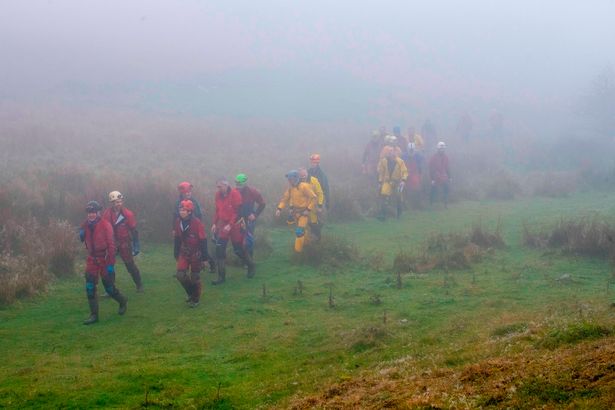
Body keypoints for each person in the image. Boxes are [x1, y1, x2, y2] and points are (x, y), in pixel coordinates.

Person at [80, 200, 127, 325]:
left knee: (109, 288)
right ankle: (94, 315)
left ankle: (122, 301)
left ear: (98, 212)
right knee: (90, 287)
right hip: (92, 259)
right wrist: (81, 234)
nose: (91, 215)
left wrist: (111, 264)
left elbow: (112, 246)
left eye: (93, 212)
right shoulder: (85, 225)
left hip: (105, 259)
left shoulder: (105, 224)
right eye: (89, 212)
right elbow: (82, 237)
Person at [212, 178, 255, 285]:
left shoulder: (235, 194)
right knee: (219, 250)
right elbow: (218, 210)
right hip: (223, 225)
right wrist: (214, 223)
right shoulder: (218, 195)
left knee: (238, 250)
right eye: (217, 187)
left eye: (220, 186)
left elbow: (238, 212)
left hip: (235, 225)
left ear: (226, 185)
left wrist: (230, 225)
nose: (218, 189)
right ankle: (221, 277)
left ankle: (251, 265)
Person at [102, 191, 143, 292]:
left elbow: (134, 230)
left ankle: (139, 285)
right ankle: (111, 289)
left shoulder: (128, 214)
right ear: (112, 203)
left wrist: (136, 245)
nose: (119, 204)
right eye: (116, 202)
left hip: (125, 243)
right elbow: (104, 229)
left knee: (130, 265)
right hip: (111, 243)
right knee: (109, 266)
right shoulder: (107, 214)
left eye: (120, 201)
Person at [173, 200, 208, 307]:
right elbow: (178, 238)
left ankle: (195, 299)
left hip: (195, 253)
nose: (181, 212)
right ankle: (191, 293)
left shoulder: (197, 223)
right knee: (180, 275)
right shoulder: (178, 221)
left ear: (189, 211)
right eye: (180, 210)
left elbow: (203, 240)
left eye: (184, 210)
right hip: (184, 252)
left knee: (195, 277)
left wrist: (205, 258)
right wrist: (176, 252)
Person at [275, 170, 317, 252]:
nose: (289, 181)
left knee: (299, 231)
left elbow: (314, 198)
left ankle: (297, 252)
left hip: (304, 213)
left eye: (290, 179)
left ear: (296, 179)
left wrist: (308, 210)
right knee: (302, 231)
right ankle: (308, 246)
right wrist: (279, 209)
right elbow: (284, 200)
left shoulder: (304, 186)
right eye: (288, 180)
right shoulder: (290, 189)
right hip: (296, 213)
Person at [235, 173, 266, 258]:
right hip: (238, 219)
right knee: (238, 240)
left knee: (248, 240)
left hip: (249, 220)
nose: (238, 187)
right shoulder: (234, 192)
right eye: (237, 184)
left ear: (245, 183)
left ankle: (249, 260)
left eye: (240, 184)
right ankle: (244, 259)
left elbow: (262, 204)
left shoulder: (252, 191)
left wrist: (255, 215)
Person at [377, 146, 408, 220]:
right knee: (384, 196)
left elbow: (404, 171)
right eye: (390, 153)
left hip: (398, 182)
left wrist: (403, 180)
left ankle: (399, 213)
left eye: (392, 153)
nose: (391, 154)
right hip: (387, 181)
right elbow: (381, 173)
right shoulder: (383, 161)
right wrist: (380, 182)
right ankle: (383, 214)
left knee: (398, 197)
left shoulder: (400, 161)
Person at [299, 167, 325, 241]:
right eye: (301, 176)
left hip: (314, 206)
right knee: (304, 226)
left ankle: (317, 241)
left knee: (314, 224)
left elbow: (320, 193)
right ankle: (305, 242)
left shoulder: (314, 180)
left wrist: (320, 206)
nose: (303, 177)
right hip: (303, 207)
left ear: (307, 173)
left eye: (304, 175)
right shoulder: (298, 182)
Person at [429, 141, 452, 208]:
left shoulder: (446, 157)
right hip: (436, 176)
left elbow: (447, 168)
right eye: (441, 149)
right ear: (438, 149)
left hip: (443, 176)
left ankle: (445, 203)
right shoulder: (433, 158)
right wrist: (432, 179)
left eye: (443, 149)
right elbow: (431, 169)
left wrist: (450, 177)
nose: (442, 150)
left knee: (446, 188)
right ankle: (431, 203)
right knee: (433, 189)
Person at [402, 142, 424, 209]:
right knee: (404, 188)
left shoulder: (418, 156)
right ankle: (405, 204)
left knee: (417, 188)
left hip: (415, 173)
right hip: (406, 173)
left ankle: (418, 203)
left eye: (412, 150)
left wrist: (420, 174)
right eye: (410, 150)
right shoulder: (404, 156)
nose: (411, 151)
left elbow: (420, 166)